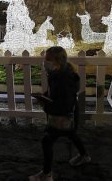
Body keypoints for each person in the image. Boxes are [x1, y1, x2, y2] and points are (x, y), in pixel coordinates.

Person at [29, 46, 90, 181]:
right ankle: (84, 155)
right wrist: (45, 96)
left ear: (58, 61)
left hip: (63, 116)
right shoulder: (59, 74)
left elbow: (64, 102)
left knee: (47, 141)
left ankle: (47, 174)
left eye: (48, 59)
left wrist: (46, 105)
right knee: (71, 134)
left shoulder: (63, 78)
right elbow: (56, 94)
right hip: (68, 115)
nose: (45, 62)